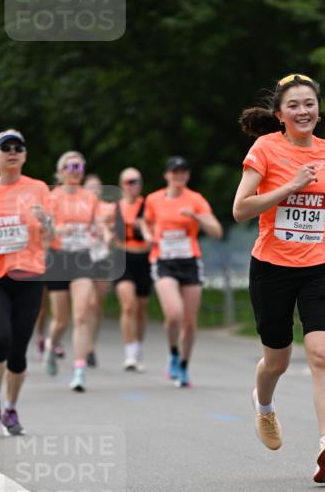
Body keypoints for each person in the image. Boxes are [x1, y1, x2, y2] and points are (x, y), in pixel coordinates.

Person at [232, 72, 325, 484]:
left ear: (318, 110)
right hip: (272, 267)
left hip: (318, 265)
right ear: (279, 114)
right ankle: (264, 406)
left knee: (323, 354)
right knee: (277, 359)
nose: (303, 111)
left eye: (309, 104)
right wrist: (289, 186)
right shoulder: (265, 148)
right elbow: (240, 208)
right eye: (294, 105)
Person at [0, 129, 52, 434]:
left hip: (29, 275)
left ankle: (10, 408)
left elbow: (52, 233)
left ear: (24, 155)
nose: (12, 151)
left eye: (18, 147)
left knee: (18, 351)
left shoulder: (39, 189)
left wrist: (46, 221)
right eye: (5, 147)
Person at [142, 157, 223, 387]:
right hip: (163, 260)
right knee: (174, 313)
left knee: (189, 320)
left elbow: (216, 231)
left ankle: (184, 365)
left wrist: (197, 217)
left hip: (189, 261)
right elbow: (145, 222)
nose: (179, 176)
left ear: (187, 176)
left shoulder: (196, 200)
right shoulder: (153, 199)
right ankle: (174, 353)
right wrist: (148, 235)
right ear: (166, 175)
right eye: (175, 172)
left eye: (183, 172)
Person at [44, 151, 98, 391]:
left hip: (83, 258)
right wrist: (56, 230)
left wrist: (101, 232)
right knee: (61, 320)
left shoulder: (90, 197)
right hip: (58, 259)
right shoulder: (52, 197)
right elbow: (42, 232)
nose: (76, 171)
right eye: (71, 166)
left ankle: (79, 370)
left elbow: (96, 224)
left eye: (79, 167)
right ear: (61, 170)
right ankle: (51, 345)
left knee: (82, 315)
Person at [112, 168, 152, 371]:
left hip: (144, 258)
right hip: (122, 258)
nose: (132, 185)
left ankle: (138, 346)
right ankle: (129, 353)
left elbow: (156, 232)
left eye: (136, 181)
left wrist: (145, 228)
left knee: (141, 309)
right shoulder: (114, 208)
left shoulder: (148, 206)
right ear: (121, 185)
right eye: (128, 181)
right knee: (128, 306)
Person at [83, 172, 115, 368]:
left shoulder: (108, 208)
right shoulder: (78, 208)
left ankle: (91, 345)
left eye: (97, 187)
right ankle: (85, 345)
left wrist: (108, 232)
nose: (94, 190)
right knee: (86, 303)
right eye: (90, 187)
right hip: (82, 258)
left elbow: (113, 230)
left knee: (96, 304)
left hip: (101, 258)